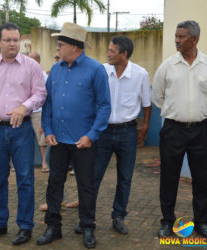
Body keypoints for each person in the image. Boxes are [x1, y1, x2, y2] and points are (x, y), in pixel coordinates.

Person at [37, 22, 111, 248]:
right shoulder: (56, 70)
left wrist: (91, 135)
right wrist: (48, 130)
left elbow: (104, 106)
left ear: (75, 47)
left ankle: (88, 227)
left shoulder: (96, 69)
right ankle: (53, 227)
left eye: (61, 44)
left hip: (84, 142)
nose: (57, 47)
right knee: (54, 183)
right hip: (58, 140)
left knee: (86, 185)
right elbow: (48, 104)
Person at [0, 22, 46, 246]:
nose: (12, 44)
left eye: (16, 40)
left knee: (25, 178)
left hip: (21, 129)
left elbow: (40, 93)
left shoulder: (31, 66)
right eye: (7, 40)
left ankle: (25, 226)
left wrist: (24, 107)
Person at [152, 20, 207, 239]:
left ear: (195, 39)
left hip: (202, 131)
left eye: (181, 36)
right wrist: (177, 112)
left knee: (201, 178)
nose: (176, 40)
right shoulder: (167, 66)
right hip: (173, 130)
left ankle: (201, 223)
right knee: (169, 177)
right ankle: (167, 222)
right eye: (176, 36)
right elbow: (157, 97)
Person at [89, 36, 151, 235]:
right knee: (94, 176)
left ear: (124, 54)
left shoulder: (141, 74)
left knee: (125, 178)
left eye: (112, 51)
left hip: (127, 133)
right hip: (103, 132)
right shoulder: (101, 71)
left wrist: (146, 127)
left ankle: (118, 216)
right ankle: (87, 219)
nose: (108, 53)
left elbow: (147, 104)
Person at [28, 52, 49, 173]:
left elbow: (46, 96)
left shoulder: (44, 76)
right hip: (27, 112)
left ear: (38, 61)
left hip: (38, 112)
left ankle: (44, 162)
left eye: (31, 60)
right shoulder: (25, 75)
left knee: (42, 140)